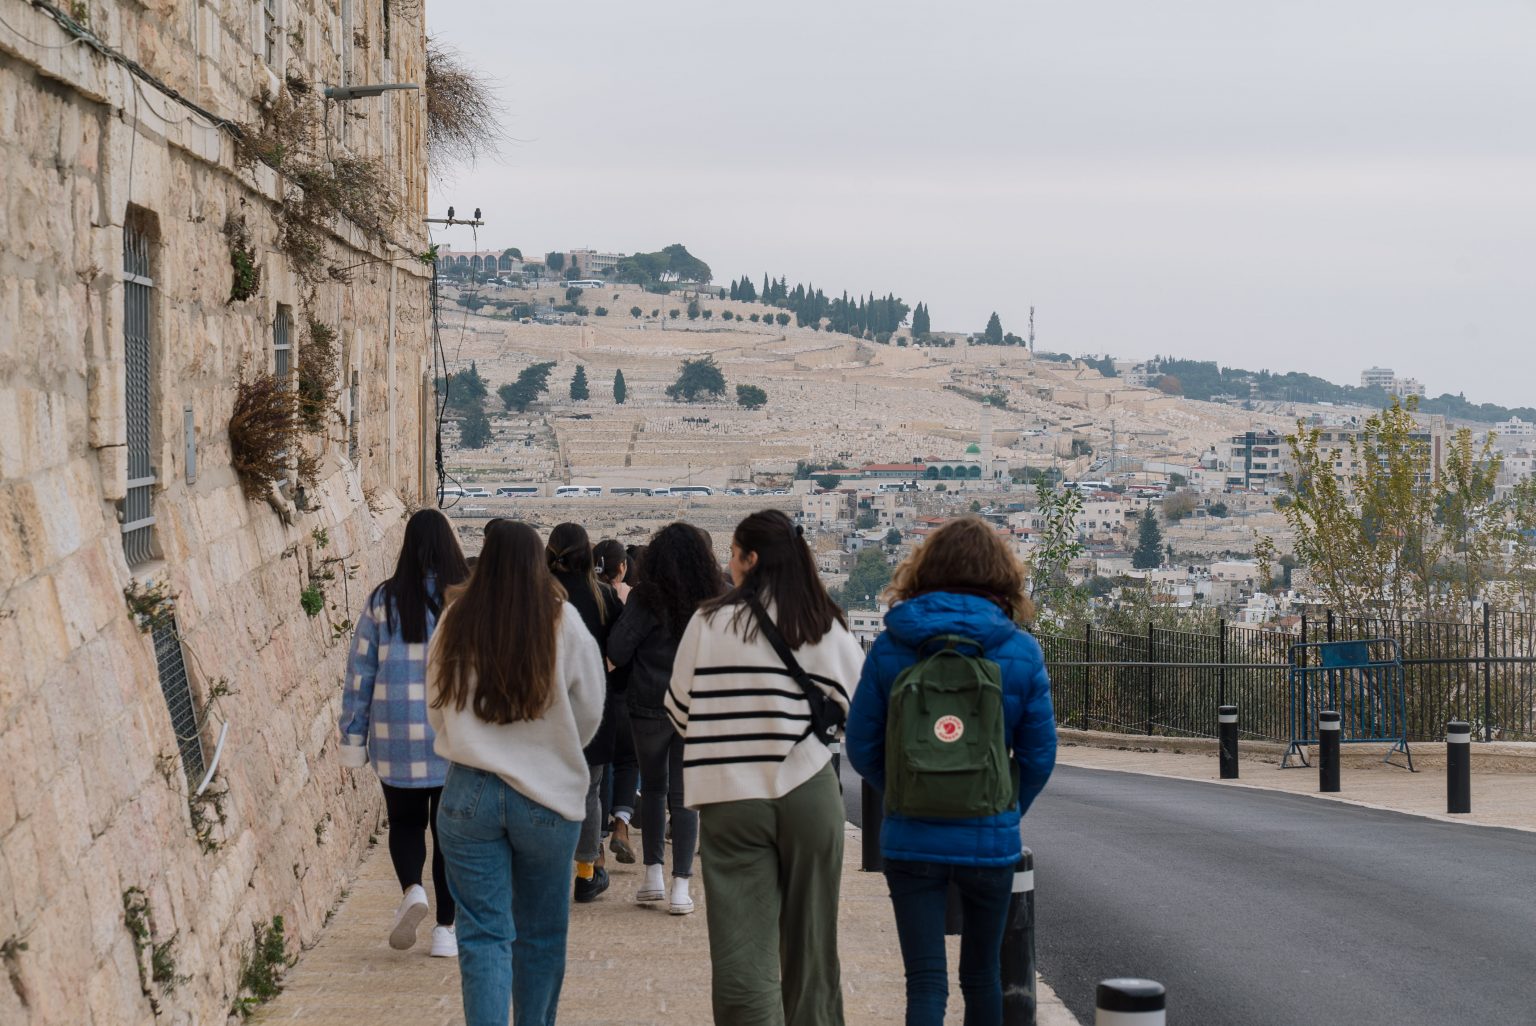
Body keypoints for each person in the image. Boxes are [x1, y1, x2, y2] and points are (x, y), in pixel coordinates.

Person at [844, 516, 1057, 1026]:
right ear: (1001, 574)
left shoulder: (893, 645)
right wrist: (1002, 805)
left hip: (910, 838)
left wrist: (904, 791)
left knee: (925, 982)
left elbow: (861, 745)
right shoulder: (1021, 651)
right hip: (989, 840)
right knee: (981, 976)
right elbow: (1039, 756)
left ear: (926, 569)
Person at [666, 510, 864, 1025]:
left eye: (733, 553)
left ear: (751, 560)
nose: (728, 565)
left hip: (731, 797)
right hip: (807, 787)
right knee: (812, 945)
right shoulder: (823, 622)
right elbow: (857, 707)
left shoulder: (708, 622)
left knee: (741, 951)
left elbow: (679, 709)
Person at [428, 519, 605, 1026]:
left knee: (483, 934)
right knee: (542, 934)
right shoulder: (562, 621)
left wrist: (466, 738)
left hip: (469, 790)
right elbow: (589, 708)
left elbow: (437, 704)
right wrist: (555, 745)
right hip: (547, 795)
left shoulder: (455, 619)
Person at [339, 508, 469, 957]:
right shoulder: (463, 600)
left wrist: (353, 737)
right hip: (450, 735)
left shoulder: (383, 600)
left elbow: (360, 673)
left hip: (395, 734)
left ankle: (412, 888)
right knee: (448, 833)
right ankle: (445, 931)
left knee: (405, 823)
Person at [608, 523, 723, 915]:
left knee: (655, 790)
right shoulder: (717, 598)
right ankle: (681, 886)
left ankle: (653, 875)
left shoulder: (646, 597)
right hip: (697, 706)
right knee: (686, 796)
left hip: (650, 705)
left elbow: (619, 649)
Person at [546, 523, 624, 901]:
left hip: (545, 707)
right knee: (590, 791)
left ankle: (546, 867)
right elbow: (623, 648)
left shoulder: (538, 596)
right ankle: (586, 871)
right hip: (595, 704)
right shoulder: (604, 596)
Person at [593, 538, 639, 861]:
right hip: (624, 694)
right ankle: (622, 823)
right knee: (628, 760)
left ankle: (594, 843)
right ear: (622, 567)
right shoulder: (630, 598)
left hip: (594, 695)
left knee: (598, 768)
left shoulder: (587, 598)